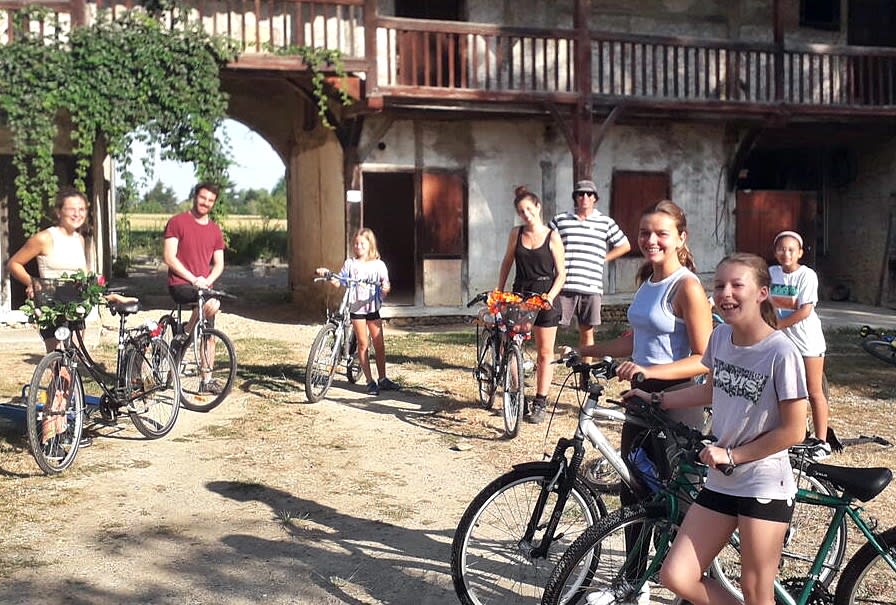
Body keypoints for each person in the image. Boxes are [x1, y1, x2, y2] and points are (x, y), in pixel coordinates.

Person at [628, 253, 808, 605]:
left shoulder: (781, 352)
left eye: (737, 285)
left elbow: (794, 431)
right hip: (722, 480)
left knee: (757, 591)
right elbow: (713, 388)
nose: (726, 293)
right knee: (676, 575)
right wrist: (658, 401)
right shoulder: (722, 337)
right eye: (720, 285)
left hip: (763, 484)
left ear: (761, 292)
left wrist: (733, 454)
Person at [565, 200, 712, 604]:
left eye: (661, 233)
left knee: (677, 501)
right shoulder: (649, 281)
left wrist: (650, 373)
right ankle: (633, 583)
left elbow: (704, 356)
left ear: (680, 238)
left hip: (677, 403)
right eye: (645, 232)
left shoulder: (687, 286)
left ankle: (692, 585)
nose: (650, 240)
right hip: (640, 401)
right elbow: (635, 340)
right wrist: (588, 351)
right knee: (634, 493)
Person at [496, 186, 566, 424]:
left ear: (538, 207)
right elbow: (507, 262)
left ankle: (540, 402)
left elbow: (562, 273)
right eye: (521, 211)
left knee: (545, 353)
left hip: (545, 296)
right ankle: (517, 393)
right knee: (510, 345)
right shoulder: (516, 234)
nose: (526, 214)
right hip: (520, 295)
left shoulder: (552, 236)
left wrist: (550, 295)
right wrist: (500, 290)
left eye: (528, 208)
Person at [769, 230, 831, 458]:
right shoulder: (771, 273)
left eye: (791, 250)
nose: (786, 253)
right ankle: (789, 433)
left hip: (806, 341)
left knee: (813, 390)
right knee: (782, 389)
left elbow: (805, 310)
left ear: (800, 253)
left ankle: (822, 441)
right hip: (781, 343)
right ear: (775, 252)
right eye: (781, 249)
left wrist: (779, 325)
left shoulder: (807, 276)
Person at [550, 179, 630, 354]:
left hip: (591, 286)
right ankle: (547, 366)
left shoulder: (605, 222)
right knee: (551, 329)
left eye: (589, 194)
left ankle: (584, 378)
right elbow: (546, 243)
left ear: (595, 198)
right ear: (575, 197)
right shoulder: (560, 220)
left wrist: (604, 258)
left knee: (587, 332)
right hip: (565, 286)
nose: (585, 197)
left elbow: (625, 245)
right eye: (580, 194)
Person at [316, 228, 398, 396]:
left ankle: (383, 378)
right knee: (363, 344)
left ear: (370, 245)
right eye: (356, 243)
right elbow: (340, 281)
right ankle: (370, 381)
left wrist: (385, 288)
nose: (358, 246)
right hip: (357, 310)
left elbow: (386, 283)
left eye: (362, 243)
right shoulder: (350, 264)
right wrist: (329, 275)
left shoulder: (378, 265)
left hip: (372, 308)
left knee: (379, 344)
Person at [8, 186, 91, 353]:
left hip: (76, 304)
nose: (77, 214)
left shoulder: (79, 239)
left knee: (73, 359)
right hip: (51, 305)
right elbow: (13, 264)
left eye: (81, 209)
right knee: (60, 365)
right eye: (71, 209)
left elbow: (84, 273)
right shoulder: (45, 238)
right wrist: (32, 282)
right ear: (59, 212)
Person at [163, 182, 226, 394]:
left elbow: (219, 264)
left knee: (210, 328)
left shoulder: (215, 230)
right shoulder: (177, 222)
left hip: (204, 286)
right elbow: (169, 257)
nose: (205, 203)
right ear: (195, 196)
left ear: (214, 203)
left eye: (210, 200)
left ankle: (206, 379)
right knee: (210, 303)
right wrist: (193, 279)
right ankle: (187, 333)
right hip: (180, 284)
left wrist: (207, 280)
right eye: (202, 198)